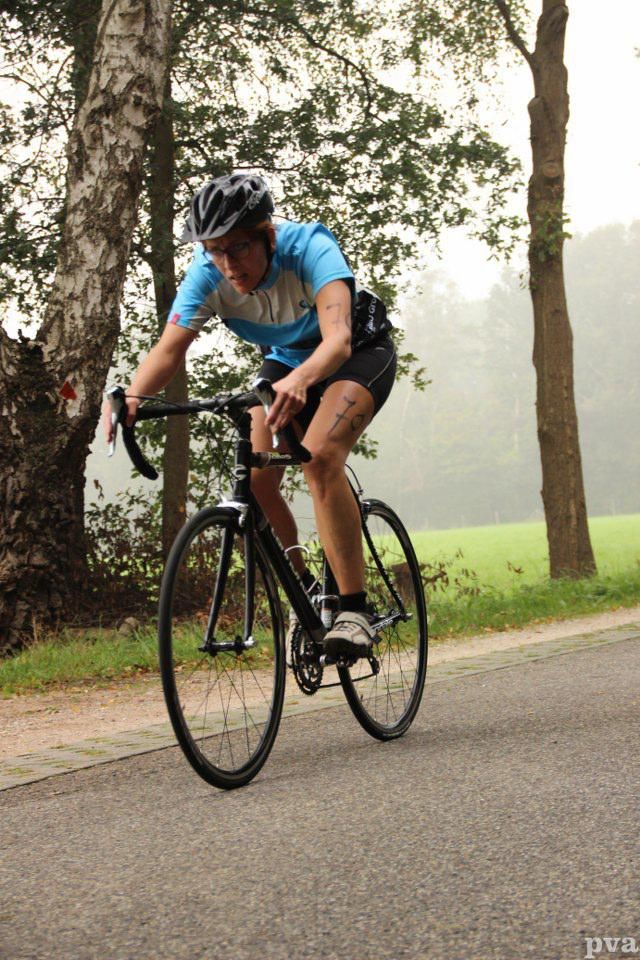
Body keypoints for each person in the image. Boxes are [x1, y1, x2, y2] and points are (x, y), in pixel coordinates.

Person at [104, 173, 396, 658]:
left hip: (357, 354)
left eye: (237, 248)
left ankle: (355, 609)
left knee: (320, 458)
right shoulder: (207, 274)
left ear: (268, 233)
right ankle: (303, 587)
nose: (226, 264)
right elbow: (170, 349)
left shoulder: (310, 248)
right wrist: (134, 395)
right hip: (284, 362)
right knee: (257, 478)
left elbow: (338, 339)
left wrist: (303, 380)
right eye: (213, 251)